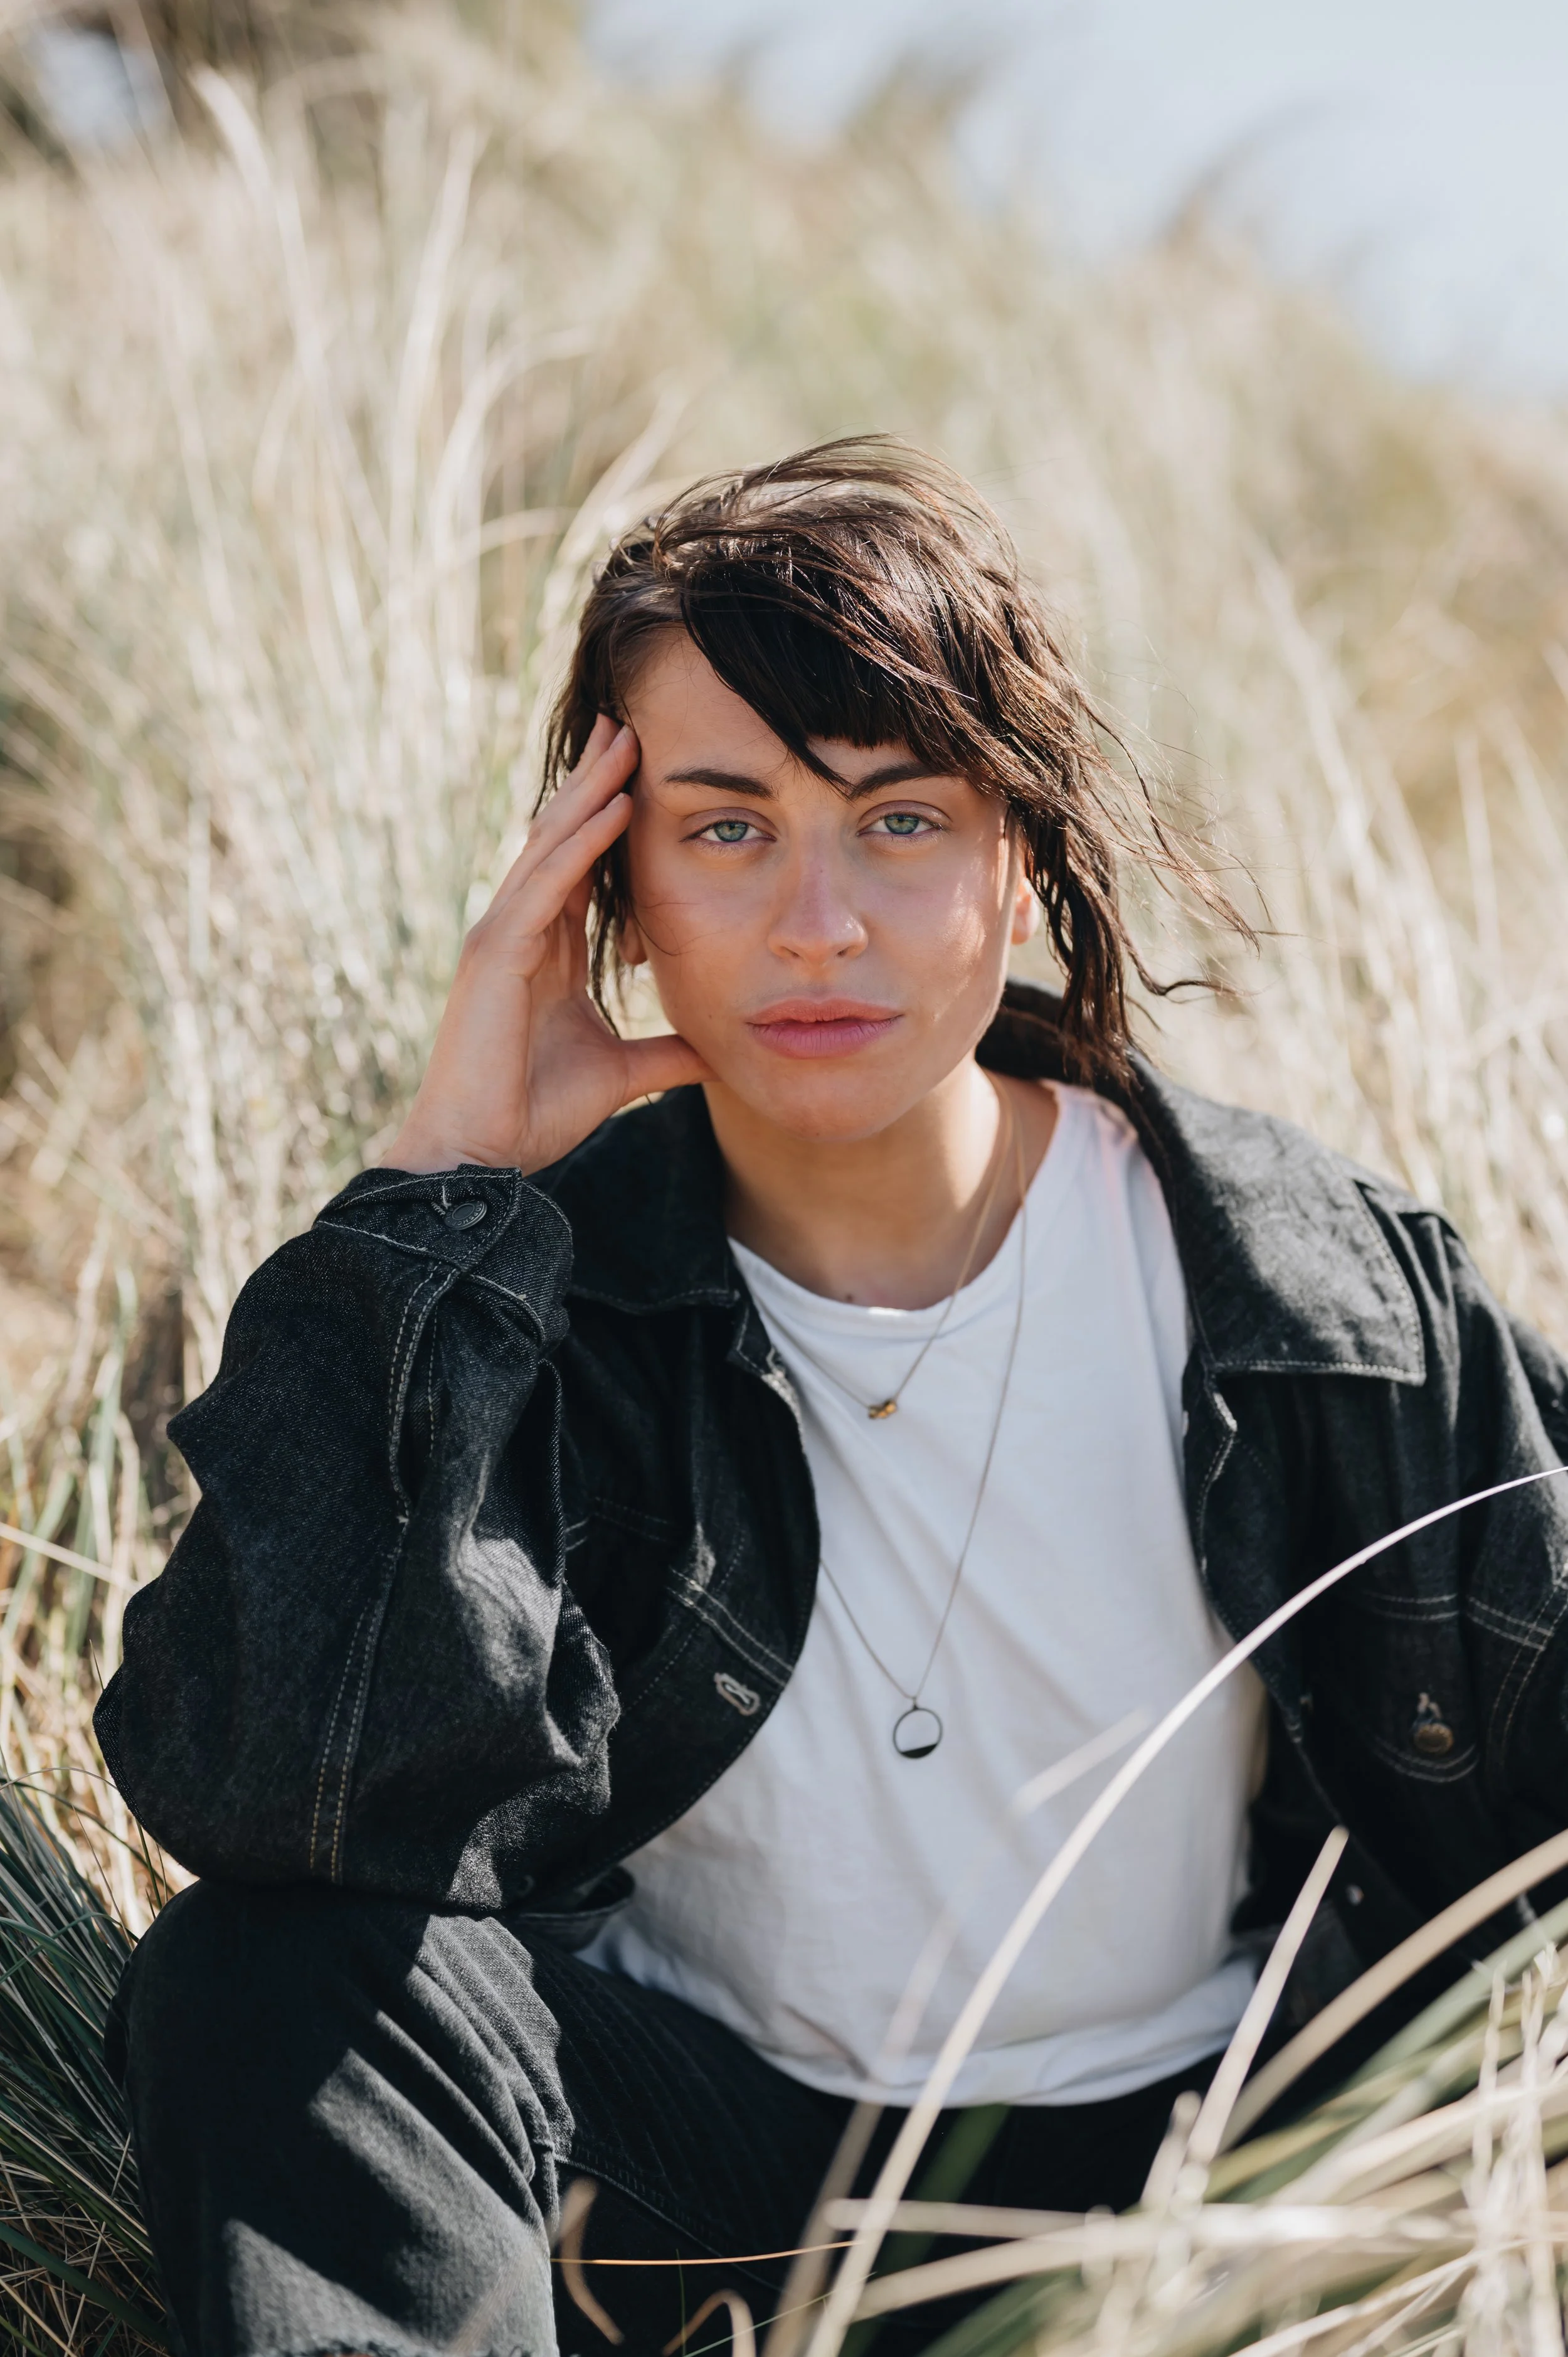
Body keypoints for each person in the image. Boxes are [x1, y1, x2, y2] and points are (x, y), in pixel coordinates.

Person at [98, 440, 1568, 2357]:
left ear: (1017, 860)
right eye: (725, 827)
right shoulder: (541, 1293)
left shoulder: (1308, 1295)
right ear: (614, 884)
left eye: (899, 819)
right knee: (256, 1977)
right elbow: (262, 1800)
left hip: (1216, 2185)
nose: (816, 923)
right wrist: (435, 1190)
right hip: (712, 2181)